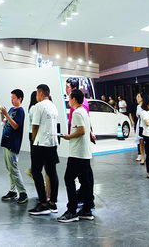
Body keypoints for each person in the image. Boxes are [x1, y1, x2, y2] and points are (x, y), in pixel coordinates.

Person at [57, 89, 95, 222]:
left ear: (74, 99)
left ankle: (72, 211)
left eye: (69, 97)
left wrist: (68, 136)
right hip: (84, 153)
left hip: (77, 153)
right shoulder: (83, 111)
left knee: (68, 179)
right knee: (85, 182)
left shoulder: (77, 113)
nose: (68, 99)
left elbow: (81, 130)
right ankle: (87, 210)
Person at [28, 84, 60, 216]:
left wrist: (34, 141)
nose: (36, 96)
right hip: (52, 143)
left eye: (37, 93)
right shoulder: (53, 106)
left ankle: (43, 203)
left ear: (40, 93)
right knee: (52, 172)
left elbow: (34, 127)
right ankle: (53, 202)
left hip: (40, 144)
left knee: (36, 171)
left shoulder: (38, 106)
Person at [0, 89, 28, 204]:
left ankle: (23, 193)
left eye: (14, 98)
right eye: (11, 98)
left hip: (13, 143)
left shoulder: (20, 111)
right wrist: (2, 114)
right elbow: (4, 122)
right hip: (6, 142)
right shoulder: (11, 109)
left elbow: (16, 126)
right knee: (9, 168)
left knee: (14, 168)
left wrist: (6, 114)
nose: (12, 100)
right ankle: (12, 190)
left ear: (20, 98)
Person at [132, 92, 145, 164]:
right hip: (140, 124)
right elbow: (138, 116)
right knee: (141, 142)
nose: (137, 98)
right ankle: (142, 157)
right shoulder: (138, 106)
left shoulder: (146, 105)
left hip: (146, 124)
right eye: (137, 96)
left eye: (139, 96)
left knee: (148, 142)